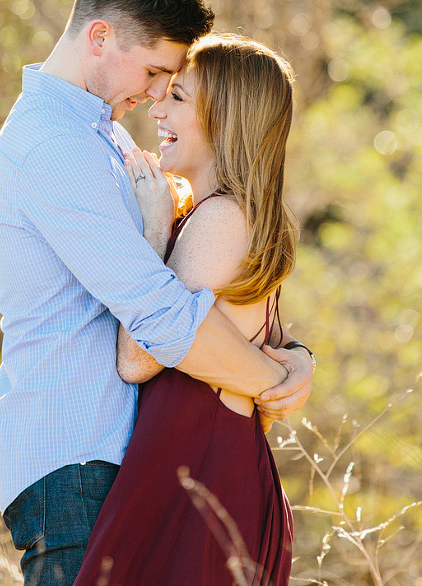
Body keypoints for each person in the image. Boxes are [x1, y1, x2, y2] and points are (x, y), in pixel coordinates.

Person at [0, 0, 315, 586]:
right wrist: (272, 381)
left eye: (171, 84)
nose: (155, 94)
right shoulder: (54, 148)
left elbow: (207, 291)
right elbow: (159, 317)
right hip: (76, 460)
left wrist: (291, 351)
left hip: (112, 461)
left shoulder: (96, 136)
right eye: (154, 73)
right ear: (100, 38)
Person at [71, 34, 298, 585]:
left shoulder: (221, 220)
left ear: (224, 119)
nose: (157, 106)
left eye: (179, 97)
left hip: (199, 479)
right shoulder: (224, 216)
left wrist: (151, 232)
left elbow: (136, 357)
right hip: (200, 472)